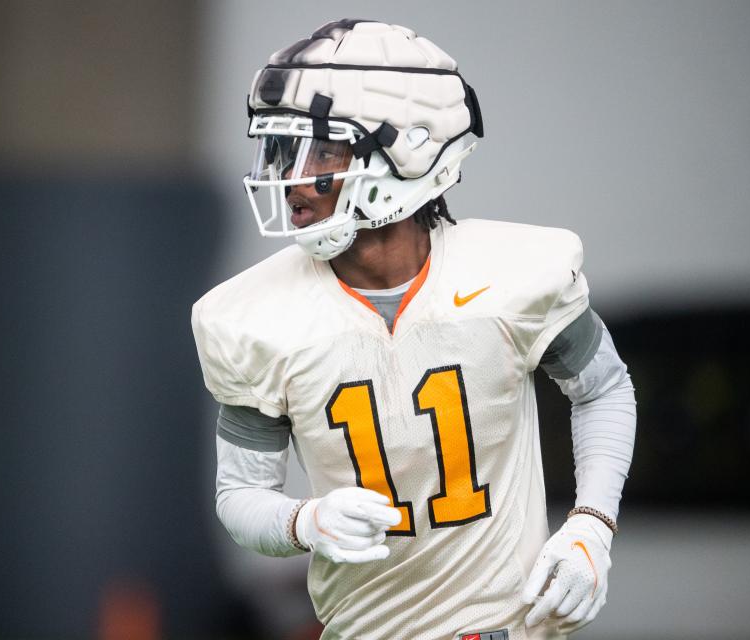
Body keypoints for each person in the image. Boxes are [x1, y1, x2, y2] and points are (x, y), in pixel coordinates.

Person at [191, 19, 636, 640]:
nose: (289, 176)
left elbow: (603, 388)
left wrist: (591, 528)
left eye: (321, 149)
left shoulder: (513, 275)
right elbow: (241, 496)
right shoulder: (255, 315)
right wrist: (305, 521)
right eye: (279, 149)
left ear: (409, 152)